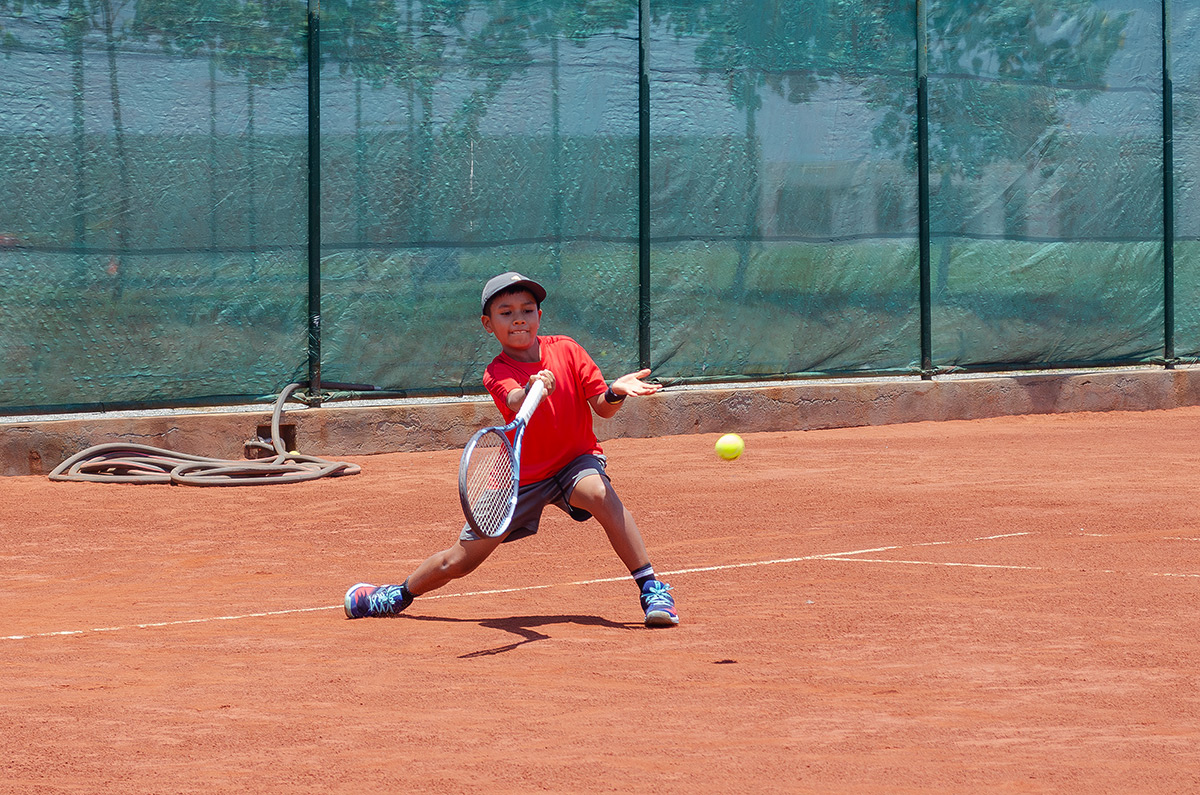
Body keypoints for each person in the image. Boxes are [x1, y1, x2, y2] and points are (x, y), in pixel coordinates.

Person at [344, 271, 679, 627]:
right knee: (459, 561)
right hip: (518, 478)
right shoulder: (496, 371)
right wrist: (533, 387)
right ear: (488, 325)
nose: (519, 318)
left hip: (574, 462)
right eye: (506, 313)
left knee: (599, 493)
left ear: (539, 316)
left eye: (527, 310)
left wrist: (614, 392)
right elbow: (516, 399)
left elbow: (602, 407)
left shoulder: (568, 350)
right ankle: (397, 594)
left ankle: (652, 589)